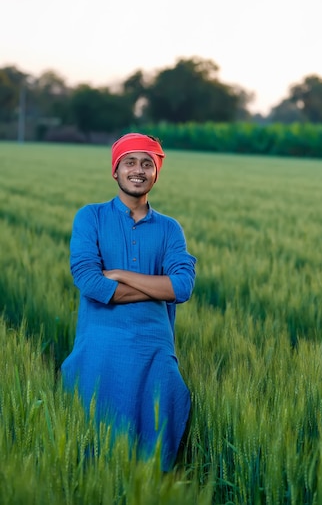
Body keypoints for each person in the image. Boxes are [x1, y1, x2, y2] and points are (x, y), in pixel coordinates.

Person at [61, 133, 196, 471]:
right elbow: (90, 282)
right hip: (100, 345)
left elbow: (182, 287)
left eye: (147, 163)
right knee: (94, 452)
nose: (139, 170)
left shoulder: (169, 229)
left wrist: (119, 273)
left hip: (154, 349)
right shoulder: (90, 217)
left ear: (156, 172)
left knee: (155, 453)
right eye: (130, 162)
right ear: (116, 170)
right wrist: (157, 287)